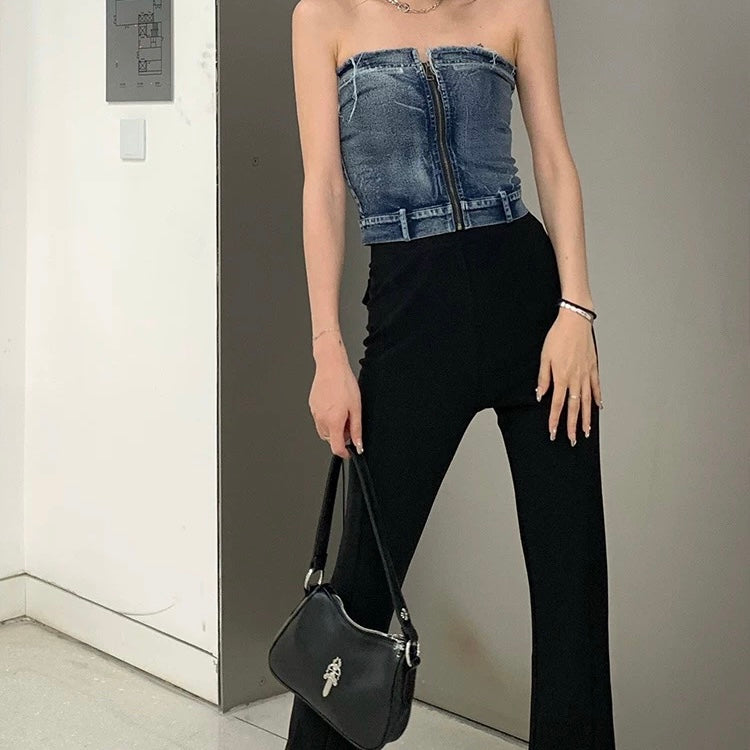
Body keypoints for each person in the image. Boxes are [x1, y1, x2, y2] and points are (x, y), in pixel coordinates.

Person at [284, 0, 616, 747]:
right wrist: (327, 348)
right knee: (360, 590)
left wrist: (577, 311)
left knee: (572, 585)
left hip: (533, 313)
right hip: (411, 317)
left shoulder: (516, 5)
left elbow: (553, 159)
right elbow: (323, 186)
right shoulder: (324, 16)